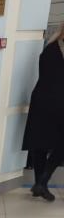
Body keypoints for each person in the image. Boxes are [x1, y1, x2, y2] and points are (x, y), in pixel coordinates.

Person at [22, 23, 64, 202]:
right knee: (61, 145)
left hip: (40, 98)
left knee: (39, 142)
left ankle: (40, 185)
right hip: (59, 101)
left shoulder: (50, 47)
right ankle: (43, 181)